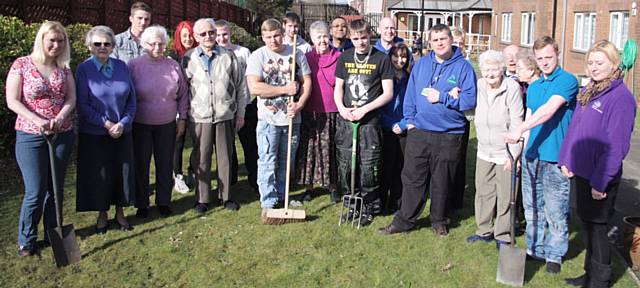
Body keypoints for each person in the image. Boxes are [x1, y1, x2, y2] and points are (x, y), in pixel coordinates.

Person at [378, 23, 477, 237]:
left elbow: (469, 100)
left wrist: (443, 98)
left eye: (443, 38)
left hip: (450, 134)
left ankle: (439, 219)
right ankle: (405, 220)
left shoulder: (464, 68)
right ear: (429, 43)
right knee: (412, 177)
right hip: (419, 132)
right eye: (435, 40)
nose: (440, 43)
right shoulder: (422, 64)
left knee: (442, 180)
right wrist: (410, 120)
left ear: (451, 40)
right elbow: (411, 96)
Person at [559, 40, 636, 288]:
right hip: (580, 172)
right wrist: (566, 158)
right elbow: (575, 129)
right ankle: (589, 275)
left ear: (614, 64)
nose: (593, 67)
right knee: (587, 226)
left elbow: (617, 146)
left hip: (599, 178)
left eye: (599, 63)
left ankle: (600, 281)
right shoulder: (591, 90)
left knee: (598, 229)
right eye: (590, 62)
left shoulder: (621, 98)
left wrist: (600, 182)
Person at [504, 36, 578, 274]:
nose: (545, 62)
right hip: (531, 156)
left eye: (549, 57)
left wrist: (519, 129)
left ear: (557, 54)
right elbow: (530, 116)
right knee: (532, 207)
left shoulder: (567, 81)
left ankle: (555, 254)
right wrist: (519, 150)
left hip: (556, 157)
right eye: (541, 58)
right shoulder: (534, 87)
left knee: (555, 210)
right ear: (535, 59)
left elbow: (548, 111)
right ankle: (535, 248)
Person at [6, 21, 76, 257]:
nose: (56, 45)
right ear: (42, 40)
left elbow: (71, 98)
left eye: (61, 41)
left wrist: (60, 117)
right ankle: (26, 240)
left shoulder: (64, 68)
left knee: (55, 189)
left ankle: (51, 232)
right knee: (35, 191)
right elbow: (12, 101)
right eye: (52, 40)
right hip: (30, 135)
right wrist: (38, 121)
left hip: (62, 133)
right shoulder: (22, 65)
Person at [246, 18, 312, 217]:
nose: (273, 40)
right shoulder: (258, 56)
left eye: (276, 35)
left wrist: (299, 104)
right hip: (269, 120)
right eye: (268, 37)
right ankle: (268, 200)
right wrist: (285, 89)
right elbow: (255, 87)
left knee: (286, 161)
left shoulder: (296, 54)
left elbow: (307, 82)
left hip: (292, 118)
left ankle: (282, 196)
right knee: (267, 160)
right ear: (262, 37)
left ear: (282, 33)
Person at [76, 25, 136, 233]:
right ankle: (102, 215)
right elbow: (82, 105)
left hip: (122, 131)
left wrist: (123, 123)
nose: (102, 47)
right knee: (100, 176)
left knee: (122, 174)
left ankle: (120, 213)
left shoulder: (122, 67)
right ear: (89, 46)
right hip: (95, 133)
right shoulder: (84, 69)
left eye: (107, 44)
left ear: (113, 46)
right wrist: (107, 123)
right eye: (97, 44)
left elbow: (132, 100)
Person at [334, 19, 394, 226]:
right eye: (356, 38)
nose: (360, 42)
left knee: (369, 165)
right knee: (346, 164)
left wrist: (364, 110)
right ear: (351, 38)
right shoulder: (345, 57)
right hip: (347, 121)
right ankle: (352, 203)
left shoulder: (381, 59)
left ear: (371, 36)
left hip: (369, 122)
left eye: (364, 38)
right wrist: (342, 108)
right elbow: (338, 88)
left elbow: (388, 93)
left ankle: (369, 205)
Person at [184, 18, 246, 213]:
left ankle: (226, 196)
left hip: (225, 114)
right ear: (196, 37)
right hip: (200, 116)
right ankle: (202, 199)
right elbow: (183, 90)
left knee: (225, 157)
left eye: (211, 32)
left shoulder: (228, 56)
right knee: (201, 158)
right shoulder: (188, 58)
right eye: (203, 34)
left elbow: (241, 87)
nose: (208, 36)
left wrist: (240, 114)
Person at [128, 25, 189, 218]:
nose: (156, 47)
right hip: (141, 124)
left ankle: (164, 202)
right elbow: (128, 95)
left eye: (161, 44)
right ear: (143, 44)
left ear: (166, 44)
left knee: (164, 165)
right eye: (152, 43)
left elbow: (183, 94)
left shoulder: (172, 65)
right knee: (141, 165)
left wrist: (182, 119)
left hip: (167, 123)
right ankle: (142, 204)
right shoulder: (134, 65)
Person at [466, 50, 524, 247]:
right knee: (483, 192)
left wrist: (514, 156)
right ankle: (484, 230)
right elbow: (472, 110)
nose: (490, 74)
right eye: (486, 69)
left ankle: (503, 234)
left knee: (506, 195)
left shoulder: (512, 88)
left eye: (494, 69)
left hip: (505, 152)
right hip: (484, 149)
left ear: (502, 69)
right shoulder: (480, 85)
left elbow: (518, 122)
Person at [293, 20, 341, 205]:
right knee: (310, 150)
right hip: (311, 110)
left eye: (325, 36)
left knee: (331, 150)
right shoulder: (305, 58)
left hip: (332, 111)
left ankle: (333, 186)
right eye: (318, 37)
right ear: (312, 39)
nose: (322, 40)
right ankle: (309, 187)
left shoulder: (339, 57)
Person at [215, 19, 258, 194]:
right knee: (226, 147)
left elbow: (250, 78)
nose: (222, 38)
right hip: (224, 108)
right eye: (218, 35)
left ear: (230, 33)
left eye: (225, 34)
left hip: (245, 106)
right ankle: (230, 180)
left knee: (250, 146)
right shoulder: (215, 54)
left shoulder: (243, 52)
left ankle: (255, 180)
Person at [379, 42, 411, 214]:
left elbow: (414, 104)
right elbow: (380, 106)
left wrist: (403, 124)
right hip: (387, 127)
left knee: (400, 167)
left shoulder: (410, 79)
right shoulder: (384, 77)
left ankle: (396, 202)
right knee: (385, 166)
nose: (400, 60)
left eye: (403, 56)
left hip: (404, 128)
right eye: (396, 56)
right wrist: (390, 124)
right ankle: (381, 200)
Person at [170, 20, 198, 194]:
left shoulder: (198, 54)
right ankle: (177, 175)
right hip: (178, 105)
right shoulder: (173, 57)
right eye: (184, 35)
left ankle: (193, 170)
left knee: (198, 140)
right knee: (178, 141)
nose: (188, 38)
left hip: (197, 104)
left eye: (190, 35)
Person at [449, 26, 470, 211]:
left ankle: (456, 199)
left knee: (459, 160)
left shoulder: (465, 66)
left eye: (460, 43)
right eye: (453, 43)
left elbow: (468, 98)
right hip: (445, 120)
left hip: (461, 120)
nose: (457, 46)